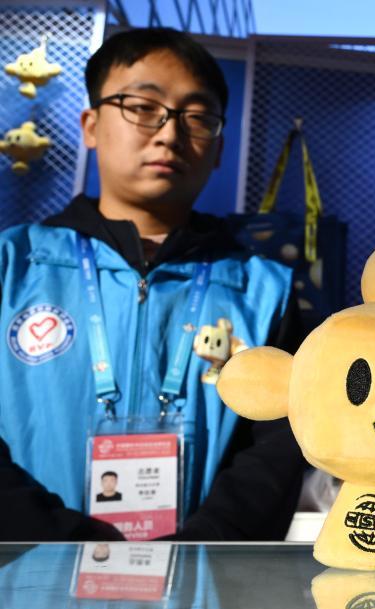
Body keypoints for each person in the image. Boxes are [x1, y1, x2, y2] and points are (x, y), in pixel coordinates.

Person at [0, 28, 305, 541]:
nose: (169, 134)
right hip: (27, 580)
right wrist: (67, 545)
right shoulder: (13, 265)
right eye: (143, 107)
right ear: (91, 125)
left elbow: (278, 449)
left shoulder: (264, 291)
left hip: (200, 583)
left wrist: (195, 553)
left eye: (197, 117)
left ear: (218, 148)